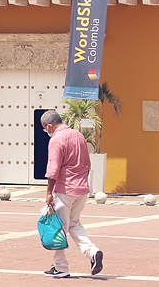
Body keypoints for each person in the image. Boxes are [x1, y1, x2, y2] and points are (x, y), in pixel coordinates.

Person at [42, 110, 103, 278]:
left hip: (65, 189)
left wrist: (49, 193)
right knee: (74, 224)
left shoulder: (56, 139)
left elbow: (53, 169)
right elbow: (87, 164)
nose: (46, 132)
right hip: (81, 189)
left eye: (45, 129)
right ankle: (93, 252)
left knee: (59, 229)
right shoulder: (79, 136)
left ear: (50, 126)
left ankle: (61, 267)